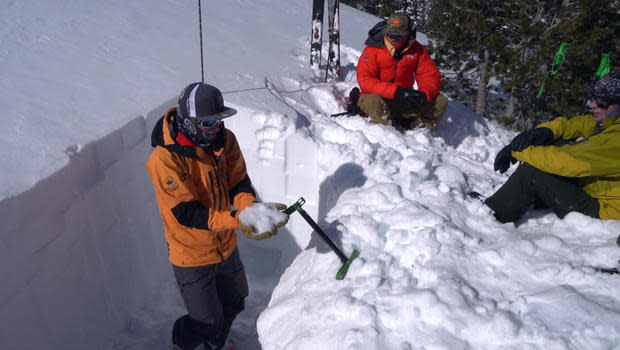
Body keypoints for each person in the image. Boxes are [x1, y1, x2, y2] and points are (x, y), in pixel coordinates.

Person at [146, 82, 289, 350]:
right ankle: (182, 344)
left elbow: (238, 182)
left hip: (225, 246)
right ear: (189, 122)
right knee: (207, 322)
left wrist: (249, 208)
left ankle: (215, 345)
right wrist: (238, 220)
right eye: (208, 122)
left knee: (235, 301)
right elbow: (187, 214)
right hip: (191, 254)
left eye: (219, 120)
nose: (216, 127)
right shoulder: (165, 159)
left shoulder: (224, 140)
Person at [485, 71, 620, 223]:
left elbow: (566, 161)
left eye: (602, 102)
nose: (592, 104)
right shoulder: (610, 120)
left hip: (605, 210)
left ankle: (493, 215)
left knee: (535, 171)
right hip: (594, 188)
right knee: (553, 142)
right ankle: (537, 196)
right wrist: (546, 131)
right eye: (593, 97)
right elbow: (574, 125)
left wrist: (516, 150)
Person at [355, 12, 448, 131]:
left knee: (440, 101)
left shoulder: (417, 50)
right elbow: (365, 80)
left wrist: (424, 95)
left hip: (404, 100)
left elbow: (429, 75)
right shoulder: (373, 49)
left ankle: (419, 131)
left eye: (398, 35)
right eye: (390, 33)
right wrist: (396, 91)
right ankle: (383, 131)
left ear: (407, 34)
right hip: (378, 98)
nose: (393, 38)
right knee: (373, 101)